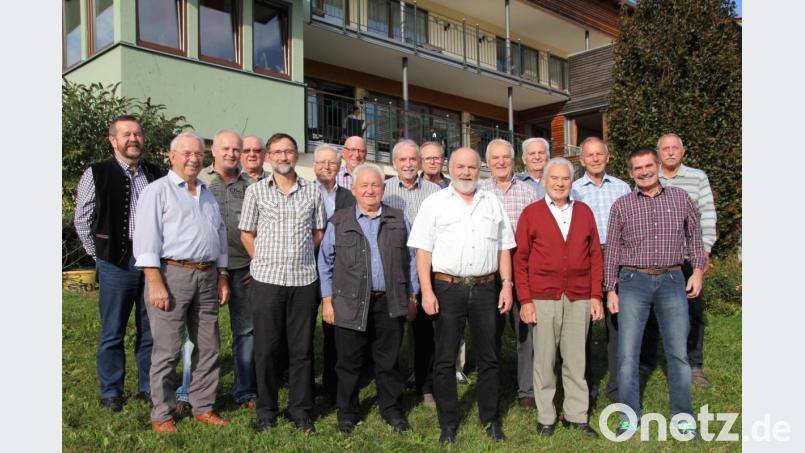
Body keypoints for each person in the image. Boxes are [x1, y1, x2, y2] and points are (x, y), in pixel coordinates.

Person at [408, 147, 515, 444]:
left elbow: (504, 247)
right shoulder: (435, 203)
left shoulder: (492, 202)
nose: (466, 172)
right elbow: (423, 251)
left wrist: (507, 283)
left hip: (485, 287)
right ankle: (448, 423)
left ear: (479, 169)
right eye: (460, 166)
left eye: (471, 167)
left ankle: (491, 420)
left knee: (490, 357)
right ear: (450, 168)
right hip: (447, 287)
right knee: (444, 358)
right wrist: (426, 291)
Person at [133, 131, 230, 433]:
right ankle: (161, 413)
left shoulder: (207, 192)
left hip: (207, 274)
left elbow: (220, 236)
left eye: (198, 153)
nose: (193, 158)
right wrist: (154, 280)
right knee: (167, 348)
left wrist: (222, 275)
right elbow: (146, 237)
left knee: (208, 345)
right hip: (172, 275)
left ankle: (203, 405)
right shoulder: (157, 191)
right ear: (171, 156)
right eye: (186, 153)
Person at [604, 147, 705, 439]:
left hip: (672, 279)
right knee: (627, 354)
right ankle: (629, 415)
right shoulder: (622, 205)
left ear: (658, 166)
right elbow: (612, 250)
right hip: (633, 280)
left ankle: (683, 417)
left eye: (649, 166)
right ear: (631, 172)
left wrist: (697, 271)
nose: (644, 172)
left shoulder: (680, 198)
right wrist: (611, 288)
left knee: (678, 353)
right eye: (638, 168)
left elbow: (695, 238)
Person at [318, 163, 419, 435]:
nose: (370, 190)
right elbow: (325, 262)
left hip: (391, 300)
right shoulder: (339, 221)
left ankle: (392, 410)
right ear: (354, 189)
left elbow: (411, 260)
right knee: (348, 362)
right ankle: (347, 412)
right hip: (349, 302)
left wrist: (413, 294)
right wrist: (327, 301)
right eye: (364, 185)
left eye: (375, 185)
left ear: (383, 189)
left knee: (388, 361)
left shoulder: (399, 219)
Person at [74, 115, 164, 412]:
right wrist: (99, 255)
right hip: (115, 263)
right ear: (113, 140)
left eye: (137, 133)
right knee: (112, 331)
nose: (133, 139)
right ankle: (111, 391)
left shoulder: (155, 173)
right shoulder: (96, 172)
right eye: (126, 134)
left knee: (150, 330)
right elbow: (82, 220)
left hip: (152, 264)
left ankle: (147, 387)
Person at [239, 133, 327, 434]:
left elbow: (319, 232)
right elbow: (246, 233)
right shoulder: (256, 192)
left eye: (288, 152)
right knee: (266, 348)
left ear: (296, 155)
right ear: (268, 157)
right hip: (267, 281)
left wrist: (300, 259)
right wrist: (262, 260)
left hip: (303, 280)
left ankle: (301, 410)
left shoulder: (312, 192)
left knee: (301, 350)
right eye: (277, 152)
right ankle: (266, 410)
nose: (283, 157)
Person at [514, 157, 604, 438]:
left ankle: (576, 415)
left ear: (571, 182)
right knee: (544, 359)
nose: (559, 183)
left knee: (576, 359)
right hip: (543, 296)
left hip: (579, 296)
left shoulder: (585, 212)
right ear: (544, 181)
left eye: (565, 179)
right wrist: (526, 300)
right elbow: (521, 260)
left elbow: (595, 257)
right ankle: (546, 416)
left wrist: (595, 295)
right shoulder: (531, 213)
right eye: (554, 178)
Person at [641, 133, 718, 387]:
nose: (671, 152)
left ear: (682, 152)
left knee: (693, 312)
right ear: (658, 153)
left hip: (687, 258)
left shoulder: (697, 178)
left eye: (675, 148)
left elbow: (707, 214)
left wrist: (703, 252)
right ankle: (646, 362)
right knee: (650, 313)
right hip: (654, 260)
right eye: (665, 148)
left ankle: (694, 364)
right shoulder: (648, 176)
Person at [197, 130, 259, 409]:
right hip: (204, 268)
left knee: (245, 331)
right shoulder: (198, 181)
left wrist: (257, 261)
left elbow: (263, 226)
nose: (232, 154)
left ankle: (245, 390)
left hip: (242, 266)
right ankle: (190, 392)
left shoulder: (251, 185)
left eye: (237, 149)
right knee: (197, 332)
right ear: (213, 150)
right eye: (226, 148)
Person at [479, 139, 539, 410]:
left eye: (505, 157)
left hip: (522, 267)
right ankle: (494, 383)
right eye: (496, 158)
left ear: (514, 160)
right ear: (488, 161)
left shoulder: (528, 192)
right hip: (488, 269)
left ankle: (526, 388)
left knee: (524, 331)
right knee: (489, 331)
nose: (501, 162)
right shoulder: (479, 192)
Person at [570, 137, 631, 405]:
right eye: (589, 155)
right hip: (584, 259)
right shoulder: (572, 189)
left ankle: (618, 388)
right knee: (582, 326)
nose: (595, 159)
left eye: (600, 154)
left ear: (608, 157)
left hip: (617, 256)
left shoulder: (622, 187)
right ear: (581, 160)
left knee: (616, 324)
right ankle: (586, 388)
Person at [381, 139, 441, 406]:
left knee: (425, 330)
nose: (407, 164)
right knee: (391, 331)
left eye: (412, 160)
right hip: (392, 267)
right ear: (394, 163)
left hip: (427, 267)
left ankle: (424, 383)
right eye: (402, 160)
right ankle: (392, 381)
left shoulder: (434, 190)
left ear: (420, 163)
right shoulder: (384, 190)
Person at [312, 143, 356, 405]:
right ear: (314, 165)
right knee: (304, 328)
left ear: (340, 167)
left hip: (338, 269)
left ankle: (333, 382)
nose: (327, 167)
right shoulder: (305, 192)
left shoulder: (349, 197)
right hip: (305, 268)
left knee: (333, 327)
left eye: (332, 163)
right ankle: (303, 381)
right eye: (322, 162)